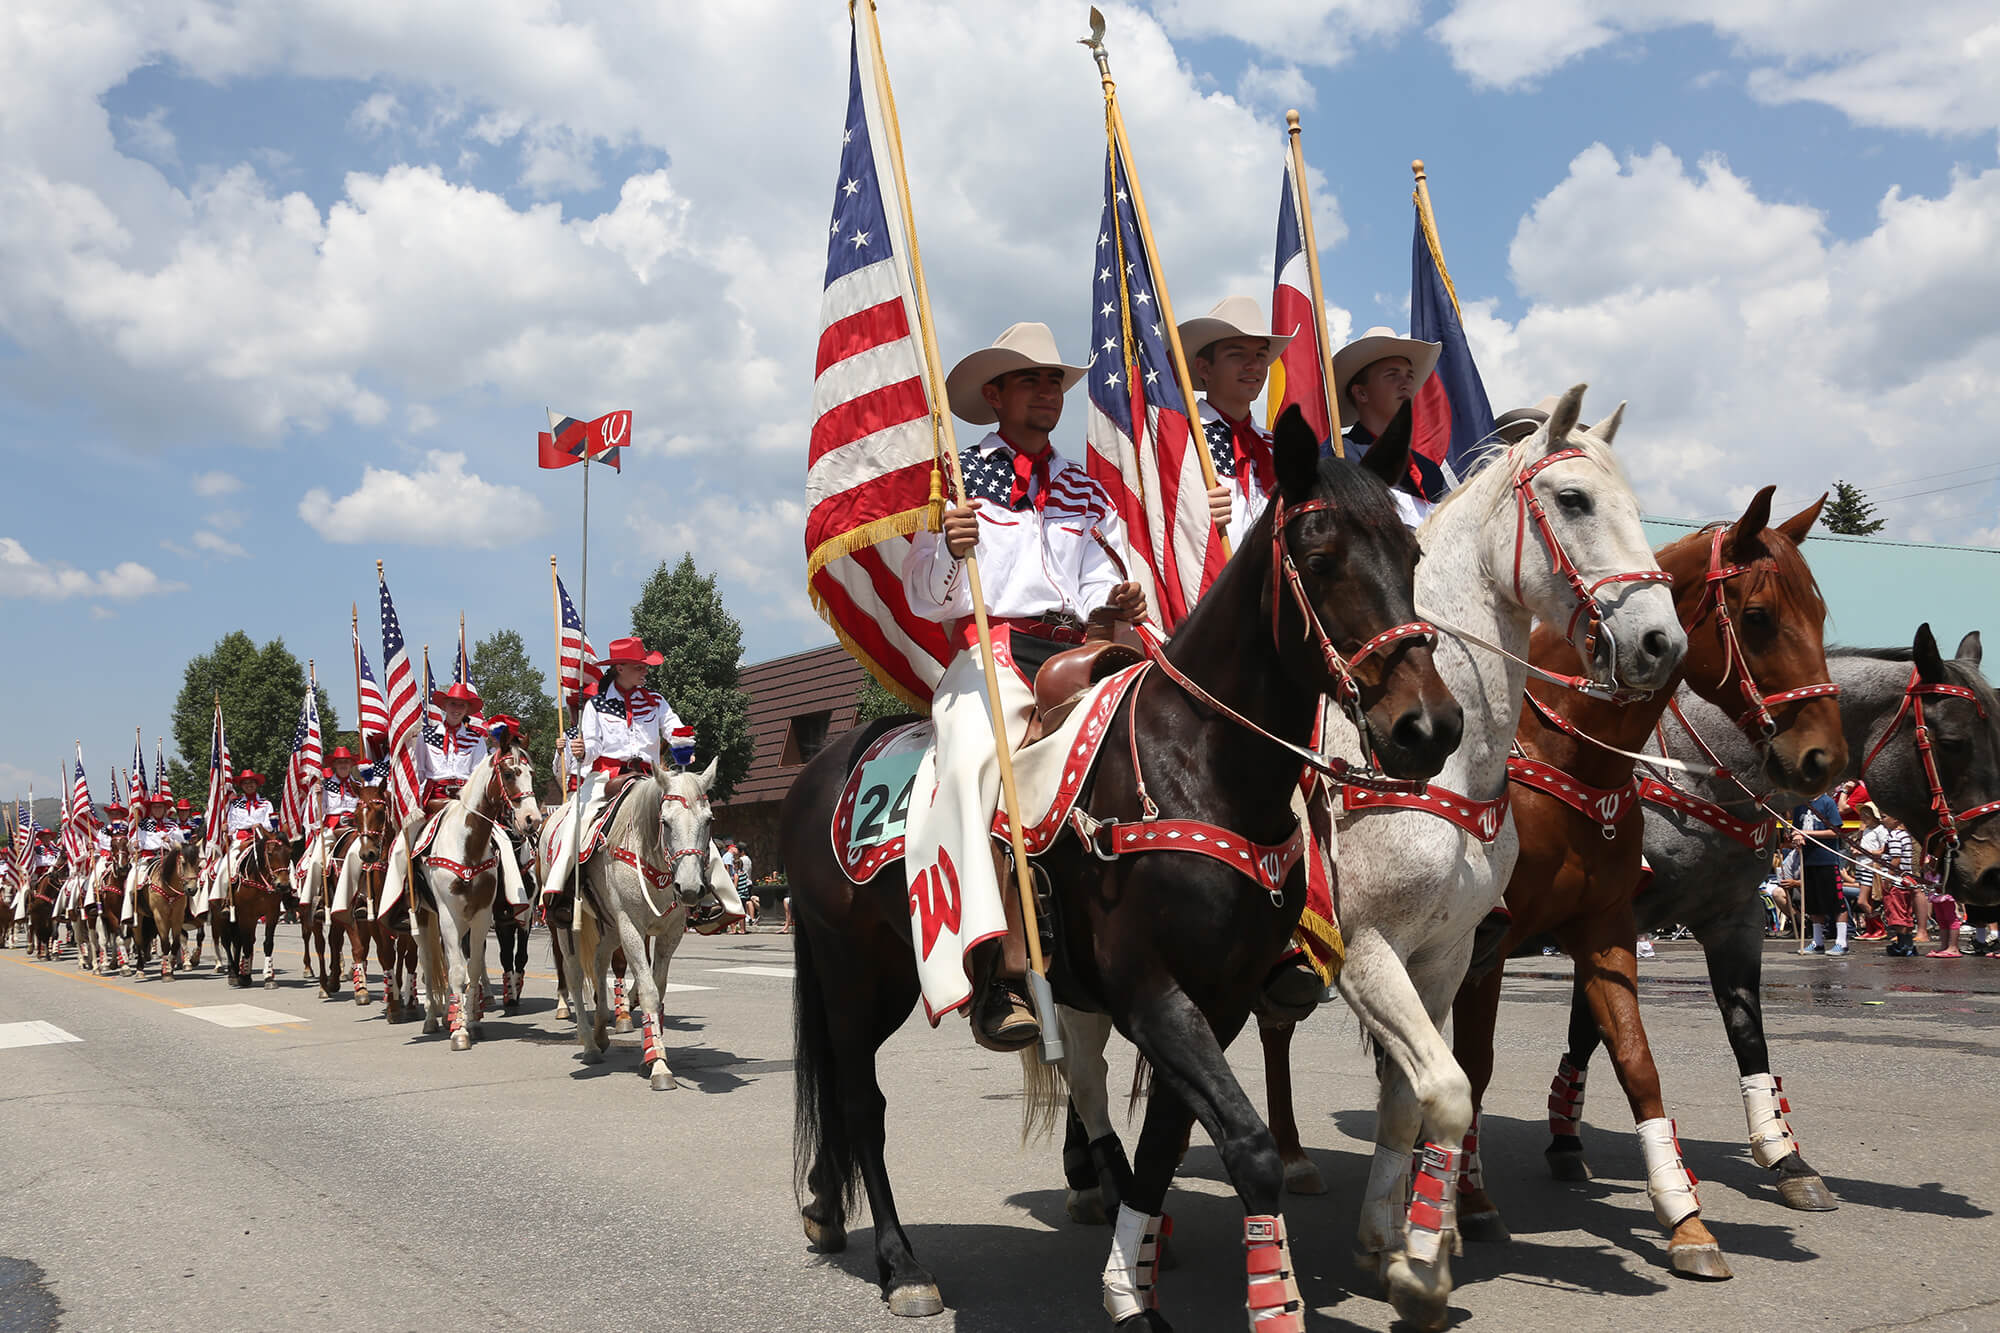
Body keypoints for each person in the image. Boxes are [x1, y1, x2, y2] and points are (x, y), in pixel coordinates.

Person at [903, 321, 1146, 1052]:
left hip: (1080, 652)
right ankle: (996, 973)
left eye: (1055, 382)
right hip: (996, 653)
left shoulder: (1083, 487)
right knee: (979, 761)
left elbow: (1108, 573)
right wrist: (951, 549)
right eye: (1032, 380)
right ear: (994, 394)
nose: (1048, 393)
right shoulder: (955, 479)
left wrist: (1119, 603)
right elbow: (923, 591)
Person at [542, 637, 694, 899]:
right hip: (607, 778)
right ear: (620, 667)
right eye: (639, 666)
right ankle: (560, 891)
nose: (645, 671)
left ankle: (712, 894)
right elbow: (592, 746)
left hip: (652, 777)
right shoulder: (595, 706)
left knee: (692, 813)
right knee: (576, 822)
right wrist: (582, 751)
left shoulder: (656, 701)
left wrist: (683, 748)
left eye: (645, 666)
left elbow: (675, 728)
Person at [1179, 295, 1292, 548]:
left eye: (1261, 356)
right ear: (1204, 369)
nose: (1254, 365)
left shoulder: (1280, 447)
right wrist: (1188, 515)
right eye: (1237, 355)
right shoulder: (1181, 440)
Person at [1332, 327, 1444, 526]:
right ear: (1361, 393)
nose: (1406, 384)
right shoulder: (1340, 457)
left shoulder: (1429, 471)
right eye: (1393, 375)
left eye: (1410, 376)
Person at [417, 682, 487, 818]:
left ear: (467, 710)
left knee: (494, 834)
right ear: (444, 706)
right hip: (434, 798)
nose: (457, 709)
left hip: (466, 798)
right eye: (453, 704)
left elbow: (479, 774)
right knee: (413, 835)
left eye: (462, 705)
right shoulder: (425, 737)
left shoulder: (476, 740)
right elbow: (419, 771)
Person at [1792, 788, 1846, 954]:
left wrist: (1806, 833)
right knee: (1813, 903)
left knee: (1836, 902)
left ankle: (1842, 942)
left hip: (1826, 860)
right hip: (1808, 861)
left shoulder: (1827, 802)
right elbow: (1795, 829)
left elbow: (1835, 831)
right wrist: (1796, 837)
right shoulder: (1799, 806)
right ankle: (1817, 941)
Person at [1878, 814, 1919, 956]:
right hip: (1905, 881)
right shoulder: (1905, 835)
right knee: (1905, 913)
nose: (1881, 820)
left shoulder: (1894, 835)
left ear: (1895, 819)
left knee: (1896, 914)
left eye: (1884, 817)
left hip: (1896, 881)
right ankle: (1908, 944)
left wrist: (1888, 880)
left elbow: (1896, 859)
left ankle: (1903, 945)